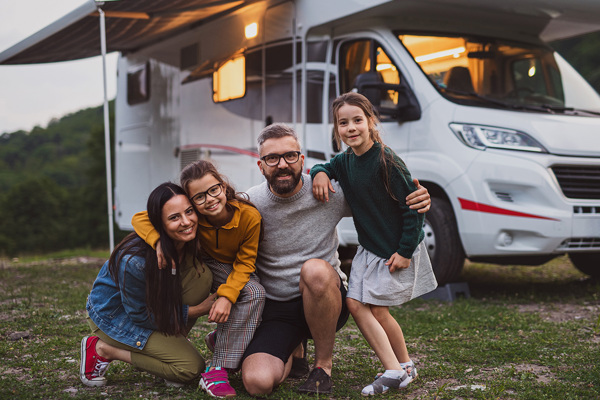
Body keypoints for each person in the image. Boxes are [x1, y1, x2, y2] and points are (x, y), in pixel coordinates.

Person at [239, 123, 431, 396]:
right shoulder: (249, 202)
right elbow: (204, 217)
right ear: (261, 166)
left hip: (326, 298)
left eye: (290, 156)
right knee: (258, 384)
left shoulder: (328, 192)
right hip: (278, 309)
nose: (282, 164)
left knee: (315, 269)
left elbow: (383, 200)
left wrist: (419, 198)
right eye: (272, 158)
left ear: (302, 160)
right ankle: (294, 349)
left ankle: (322, 366)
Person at [310, 92, 438, 396]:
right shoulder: (346, 161)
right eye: (343, 123)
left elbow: (414, 207)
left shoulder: (387, 161)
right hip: (370, 248)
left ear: (370, 121)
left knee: (367, 307)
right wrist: (319, 174)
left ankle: (393, 370)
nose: (351, 128)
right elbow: (326, 166)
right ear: (336, 128)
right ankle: (404, 367)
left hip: (394, 248)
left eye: (357, 120)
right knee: (369, 309)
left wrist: (404, 252)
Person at [132, 160, 265, 398]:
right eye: (199, 197)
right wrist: (158, 240)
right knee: (252, 293)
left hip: (234, 267)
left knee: (254, 292)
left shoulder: (248, 216)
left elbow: (245, 262)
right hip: (202, 265)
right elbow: (139, 218)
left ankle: (219, 360)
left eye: (213, 190)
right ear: (190, 202)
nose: (210, 200)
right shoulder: (192, 216)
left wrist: (225, 296)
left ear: (223, 186)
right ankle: (214, 367)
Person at [80, 182, 215, 388]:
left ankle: (169, 349)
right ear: (158, 224)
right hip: (116, 317)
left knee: (202, 276)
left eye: (189, 212)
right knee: (189, 369)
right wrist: (197, 310)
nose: (187, 222)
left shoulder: (186, 240)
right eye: (174, 217)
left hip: (153, 309)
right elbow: (140, 315)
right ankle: (102, 349)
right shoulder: (135, 261)